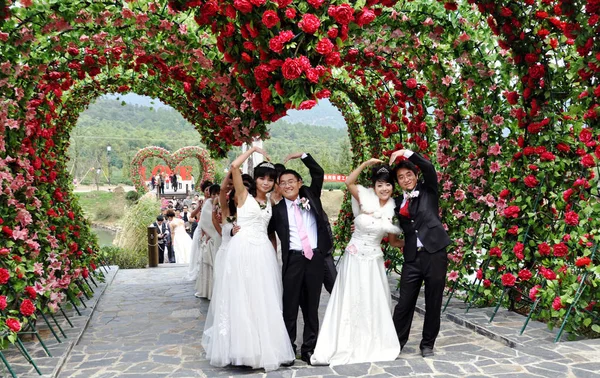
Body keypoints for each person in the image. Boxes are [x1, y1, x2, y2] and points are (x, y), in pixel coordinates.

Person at [203, 146, 294, 371]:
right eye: (262, 178)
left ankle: (266, 348)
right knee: (242, 297)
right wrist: (253, 149)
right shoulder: (243, 196)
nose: (266, 182)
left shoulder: (272, 201)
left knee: (264, 298)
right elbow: (234, 166)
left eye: (270, 179)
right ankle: (242, 350)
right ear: (255, 180)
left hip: (263, 252)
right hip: (242, 250)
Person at [311, 159, 404, 366]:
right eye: (380, 184)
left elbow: (393, 240)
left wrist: (412, 242)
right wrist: (366, 163)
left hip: (373, 261)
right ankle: (345, 341)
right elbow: (349, 182)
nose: (384, 188)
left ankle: (373, 341)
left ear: (392, 186)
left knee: (372, 300)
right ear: (374, 186)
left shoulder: (393, 209)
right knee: (351, 298)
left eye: (388, 184)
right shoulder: (364, 198)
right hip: (354, 258)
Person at [268, 152, 333, 365]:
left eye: (291, 181)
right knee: (290, 306)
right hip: (293, 261)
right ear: (278, 186)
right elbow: (262, 229)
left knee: (311, 306)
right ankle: (288, 349)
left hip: (315, 258)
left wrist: (304, 156)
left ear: (299, 182)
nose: (287, 186)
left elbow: (318, 172)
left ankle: (309, 348)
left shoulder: (311, 197)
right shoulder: (275, 211)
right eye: (282, 183)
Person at [389, 149, 451, 358]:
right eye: (400, 177)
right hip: (412, 258)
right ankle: (396, 342)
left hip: (435, 254)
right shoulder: (397, 202)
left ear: (416, 176)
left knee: (433, 301)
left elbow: (429, 167)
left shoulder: (429, 190)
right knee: (404, 302)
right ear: (397, 181)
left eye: (409, 175)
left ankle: (427, 345)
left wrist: (404, 152)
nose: (405, 179)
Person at [194, 184, 222, 299]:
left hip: (222, 235)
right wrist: (215, 233)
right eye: (213, 194)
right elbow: (205, 222)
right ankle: (210, 291)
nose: (216, 196)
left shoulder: (223, 203)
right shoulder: (207, 205)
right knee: (211, 265)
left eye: (218, 193)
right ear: (210, 195)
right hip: (212, 237)